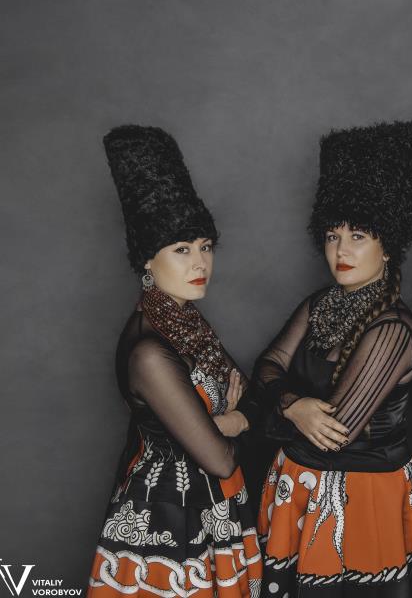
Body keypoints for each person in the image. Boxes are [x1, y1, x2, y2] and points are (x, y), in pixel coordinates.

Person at [252, 120, 412, 597]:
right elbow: (265, 366)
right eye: (332, 236)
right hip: (301, 486)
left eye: (358, 236)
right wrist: (294, 406)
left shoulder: (393, 330)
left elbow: (333, 435)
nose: (341, 250)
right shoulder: (320, 303)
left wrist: (271, 407)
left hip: (362, 500)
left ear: (387, 245)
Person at [88, 126, 262, 597]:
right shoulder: (150, 351)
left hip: (214, 511)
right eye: (182, 250)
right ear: (148, 261)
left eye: (205, 246)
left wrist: (226, 421)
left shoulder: (185, 322)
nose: (200, 263)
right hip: (168, 518)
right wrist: (234, 421)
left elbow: (253, 393)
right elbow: (220, 459)